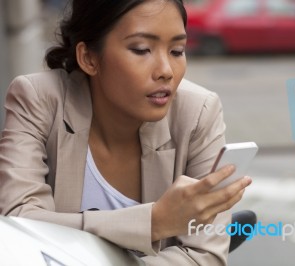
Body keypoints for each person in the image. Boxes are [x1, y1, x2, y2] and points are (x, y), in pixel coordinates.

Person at [0, 0, 252, 265]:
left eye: (177, 51)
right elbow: (17, 223)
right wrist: (153, 223)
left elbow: (204, 258)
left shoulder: (198, 112)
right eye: (142, 49)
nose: (166, 71)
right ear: (89, 58)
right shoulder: (39, 98)